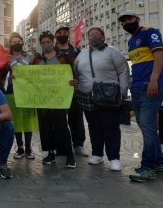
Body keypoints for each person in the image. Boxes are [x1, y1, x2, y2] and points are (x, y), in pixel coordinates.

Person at [118, 10, 163, 182]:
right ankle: (160, 164)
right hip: (138, 88)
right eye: (123, 21)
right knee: (147, 128)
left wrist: (154, 80)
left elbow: (159, 55)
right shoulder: (131, 41)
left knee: (147, 127)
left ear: (137, 19)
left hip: (151, 87)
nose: (126, 23)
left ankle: (148, 167)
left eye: (129, 19)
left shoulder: (150, 32)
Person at [73, 27, 129, 171]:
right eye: (91, 35)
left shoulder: (112, 51)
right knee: (94, 126)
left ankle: (114, 158)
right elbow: (76, 73)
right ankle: (97, 153)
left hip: (108, 95)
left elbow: (123, 71)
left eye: (97, 34)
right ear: (87, 37)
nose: (94, 37)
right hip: (86, 95)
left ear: (103, 37)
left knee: (110, 127)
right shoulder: (82, 54)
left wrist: (122, 92)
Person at [33, 31, 76, 169]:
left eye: (48, 42)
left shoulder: (62, 58)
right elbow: (29, 77)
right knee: (45, 126)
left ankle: (69, 155)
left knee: (61, 125)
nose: (46, 44)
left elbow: (71, 74)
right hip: (42, 99)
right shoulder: (37, 60)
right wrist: (18, 78)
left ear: (53, 42)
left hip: (59, 98)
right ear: (40, 44)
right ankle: (51, 152)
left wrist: (74, 82)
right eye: (43, 43)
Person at [54, 23, 88, 157]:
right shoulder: (52, 51)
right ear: (55, 35)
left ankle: (78, 144)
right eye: (59, 32)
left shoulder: (76, 50)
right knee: (59, 119)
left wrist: (78, 81)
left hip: (74, 90)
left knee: (76, 118)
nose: (63, 34)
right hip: (56, 91)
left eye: (65, 32)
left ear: (68, 35)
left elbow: (82, 69)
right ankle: (60, 145)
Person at [6, 32, 36, 160]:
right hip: (12, 91)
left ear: (22, 42)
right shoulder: (7, 58)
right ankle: (20, 148)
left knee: (27, 120)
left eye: (18, 41)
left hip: (27, 91)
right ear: (10, 44)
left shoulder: (30, 57)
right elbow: (1, 74)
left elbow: (36, 74)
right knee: (17, 120)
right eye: (14, 42)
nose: (16, 44)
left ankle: (29, 148)